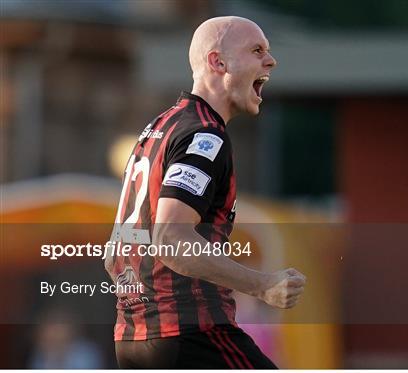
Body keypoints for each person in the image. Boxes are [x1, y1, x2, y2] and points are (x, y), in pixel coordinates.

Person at [105, 16, 306, 369]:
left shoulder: (157, 130)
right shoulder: (205, 136)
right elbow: (170, 239)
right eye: (257, 50)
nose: (270, 61)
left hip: (132, 343)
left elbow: (115, 252)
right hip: (191, 334)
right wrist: (263, 285)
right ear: (218, 62)